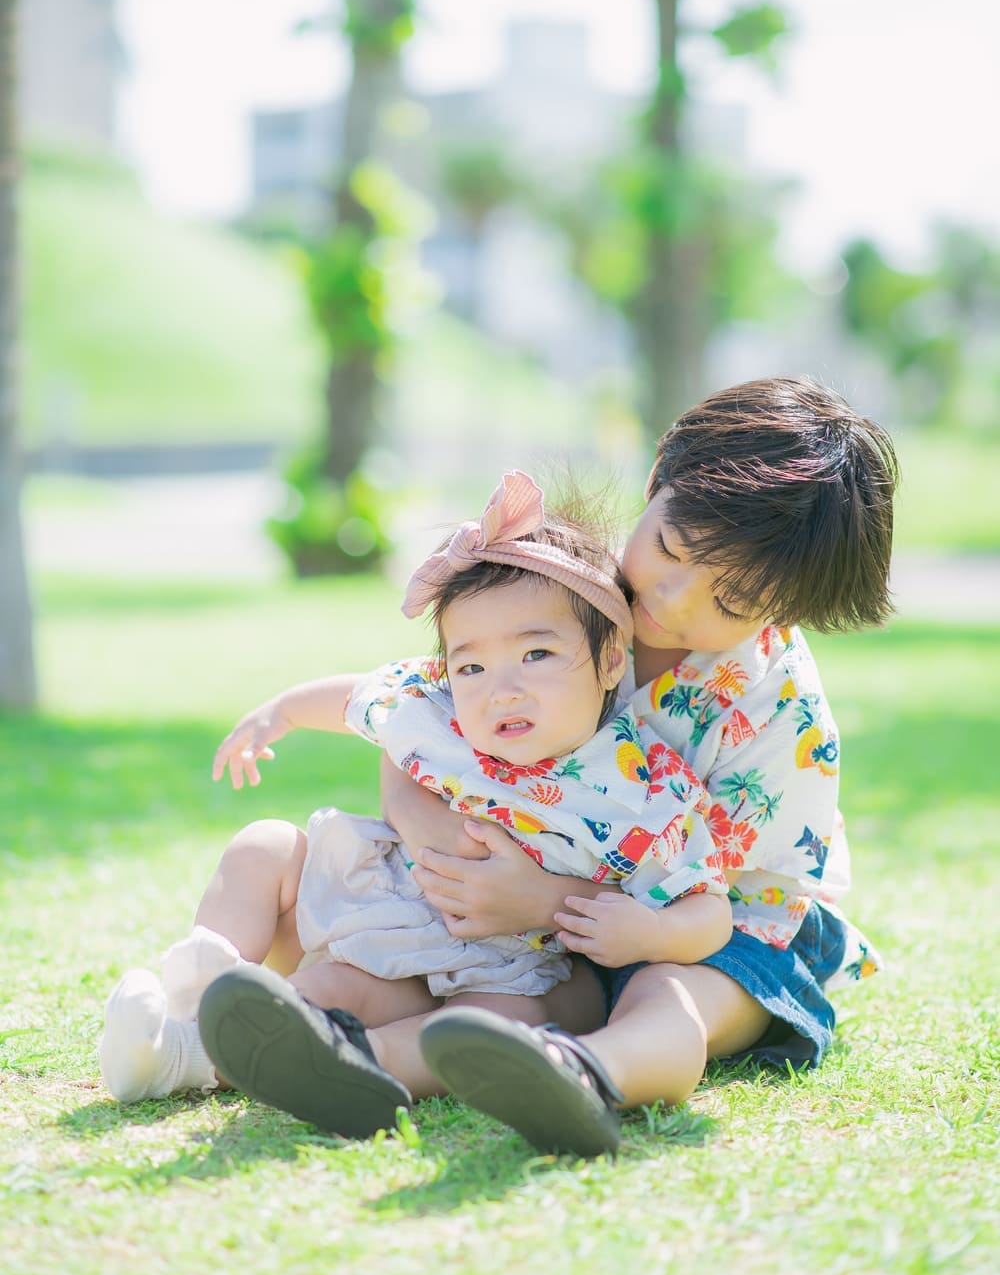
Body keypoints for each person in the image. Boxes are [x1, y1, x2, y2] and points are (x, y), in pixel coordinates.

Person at [193, 375, 896, 1157]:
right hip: (526, 931)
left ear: (783, 611)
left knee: (665, 994)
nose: (672, 599)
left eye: (728, 603)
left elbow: (724, 905)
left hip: (702, 931)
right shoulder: (557, 591)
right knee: (402, 950)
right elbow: (426, 726)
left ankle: (585, 1070)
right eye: (669, 548)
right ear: (657, 480)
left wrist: (547, 899)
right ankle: (327, 1050)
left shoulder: (777, 713)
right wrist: (433, 837)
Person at [98, 472, 730, 1138]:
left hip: (499, 961)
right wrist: (279, 712)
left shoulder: (644, 784)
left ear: (609, 662)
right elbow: (364, 696)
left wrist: (654, 933)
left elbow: (709, 906)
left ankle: (348, 1066)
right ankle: (200, 991)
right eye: (471, 667)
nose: (501, 689)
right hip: (382, 909)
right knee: (268, 850)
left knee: (495, 1019)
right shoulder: (441, 709)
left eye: (537, 653)